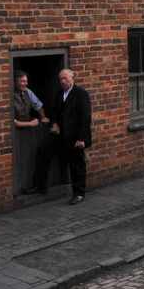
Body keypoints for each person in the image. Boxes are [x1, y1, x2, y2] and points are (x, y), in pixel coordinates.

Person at [49, 69, 92, 204]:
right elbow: (55, 111)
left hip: (76, 137)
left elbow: (85, 118)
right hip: (63, 137)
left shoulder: (81, 94)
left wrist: (81, 138)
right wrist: (54, 123)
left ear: (72, 78)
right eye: (61, 79)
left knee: (77, 166)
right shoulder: (59, 94)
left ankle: (79, 193)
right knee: (67, 162)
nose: (62, 81)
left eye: (65, 78)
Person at [13, 71, 49, 195]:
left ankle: (30, 186)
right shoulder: (10, 95)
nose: (25, 83)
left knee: (30, 159)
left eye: (26, 81)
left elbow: (38, 105)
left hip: (28, 133)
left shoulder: (28, 92)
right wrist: (30, 124)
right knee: (18, 161)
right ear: (15, 81)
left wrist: (43, 117)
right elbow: (13, 122)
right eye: (22, 81)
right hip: (16, 134)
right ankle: (19, 188)